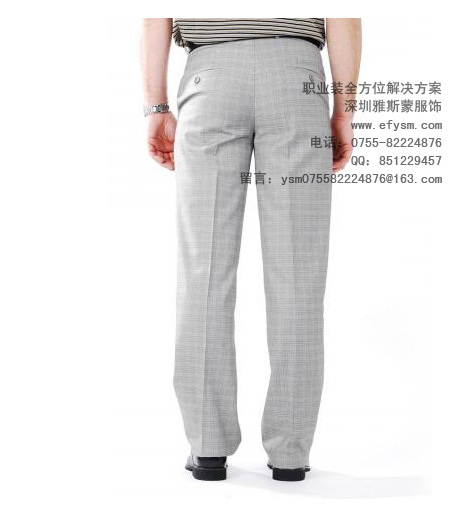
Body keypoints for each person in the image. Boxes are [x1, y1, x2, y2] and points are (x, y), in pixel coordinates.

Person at [141, 18, 361, 482]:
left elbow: (154, 16)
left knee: (203, 271)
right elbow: (343, 15)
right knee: (298, 273)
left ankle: (208, 446)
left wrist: (156, 105)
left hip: (210, 78)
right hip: (296, 75)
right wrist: (344, 111)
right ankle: (290, 453)